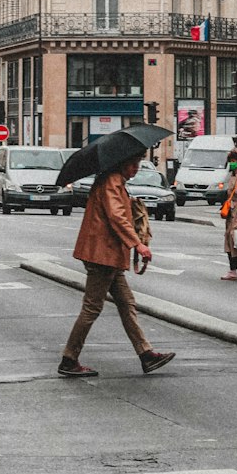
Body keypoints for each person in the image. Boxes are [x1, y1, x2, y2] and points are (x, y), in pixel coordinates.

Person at [58, 153, 176, 379]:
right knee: (92, 307)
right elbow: (117, 217)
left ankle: (146, 354)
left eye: (138, 164)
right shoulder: (111, 182)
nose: (135, 169)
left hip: (108, 256)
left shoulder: (114, 182)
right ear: (120, 163)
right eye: (132, 164)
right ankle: (69, 358)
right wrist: (138, 244)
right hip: (103, 255)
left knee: (126, 303)